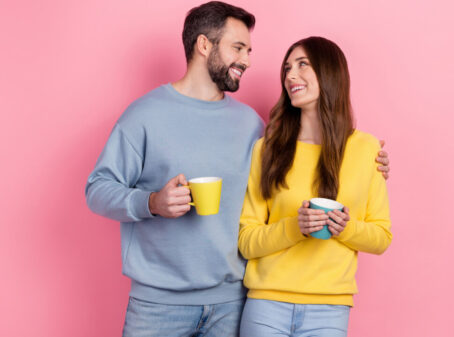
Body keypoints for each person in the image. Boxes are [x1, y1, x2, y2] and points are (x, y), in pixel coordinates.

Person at [85, 2, 390, 337]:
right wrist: (152, 202)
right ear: (204, 45)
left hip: (231, 304)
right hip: (157, 304)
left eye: (249, 50)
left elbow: (298, 163)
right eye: (238, 48)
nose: (247, 60)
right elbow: (98, 188)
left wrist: (367, 161)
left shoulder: (251, 126)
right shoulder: (144, 115)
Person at [238, 36, 392, 337]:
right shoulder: (266, 149)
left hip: (330, 310)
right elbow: (247, 240)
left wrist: (344, 228)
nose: (290, 76)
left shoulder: (367, 149)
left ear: (329, 72)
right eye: (287, 68)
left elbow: (381, 237)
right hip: (267, 305)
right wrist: (297, 227)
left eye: (302, 65)